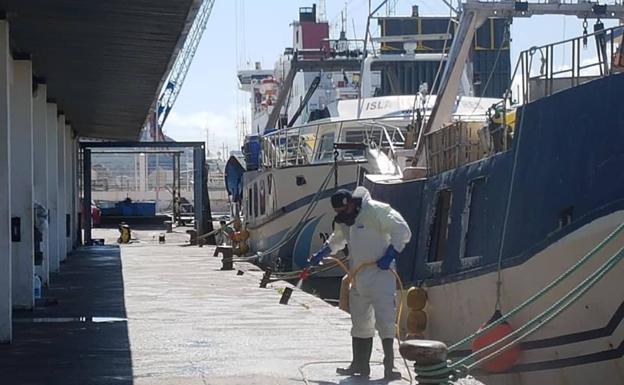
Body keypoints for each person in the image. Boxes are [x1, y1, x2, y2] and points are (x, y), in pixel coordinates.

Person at [309, 186, 411, 380]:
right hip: (358, 276)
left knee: (386, 321)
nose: (342, 215)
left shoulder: (376, 211)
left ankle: (389, 366)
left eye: (344, 211)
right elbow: (337, 240)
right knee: (360, 322)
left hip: (382, 275)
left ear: (353, 204)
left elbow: (402, 230)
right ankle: (359, 365)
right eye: (339, 213)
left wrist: (390, 254)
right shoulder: (345, 222)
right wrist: (323, 252)